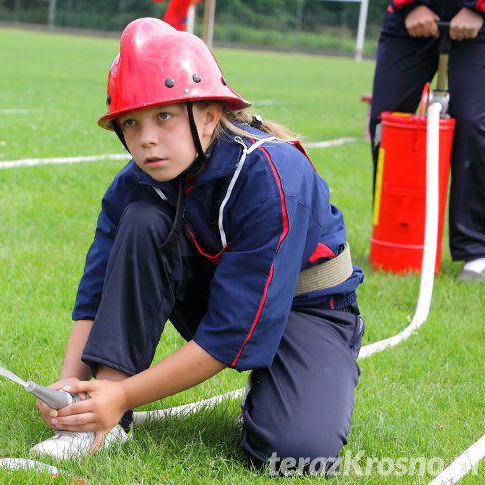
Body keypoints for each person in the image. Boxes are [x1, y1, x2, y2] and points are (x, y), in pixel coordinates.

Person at [31, 17, 365, 474]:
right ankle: (103, 423)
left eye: (164, 116)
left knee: (297, 456)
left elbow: (232, 330)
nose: (146, 138)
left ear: (208, 116)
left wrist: (126, 396)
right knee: (144, 218)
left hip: (306, 308)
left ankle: (272, 390)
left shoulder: (273, 177)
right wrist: (77, 385)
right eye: (131, 122)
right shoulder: (134, 184)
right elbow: (96, 293)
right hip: (222, 296)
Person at [368, 1, 485, 282]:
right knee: (387, 123)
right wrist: (408, 6)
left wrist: (480, 8)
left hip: (477, 23)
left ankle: (475, 249)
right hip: (409, 20)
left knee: (472, 123)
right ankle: (395, 236)